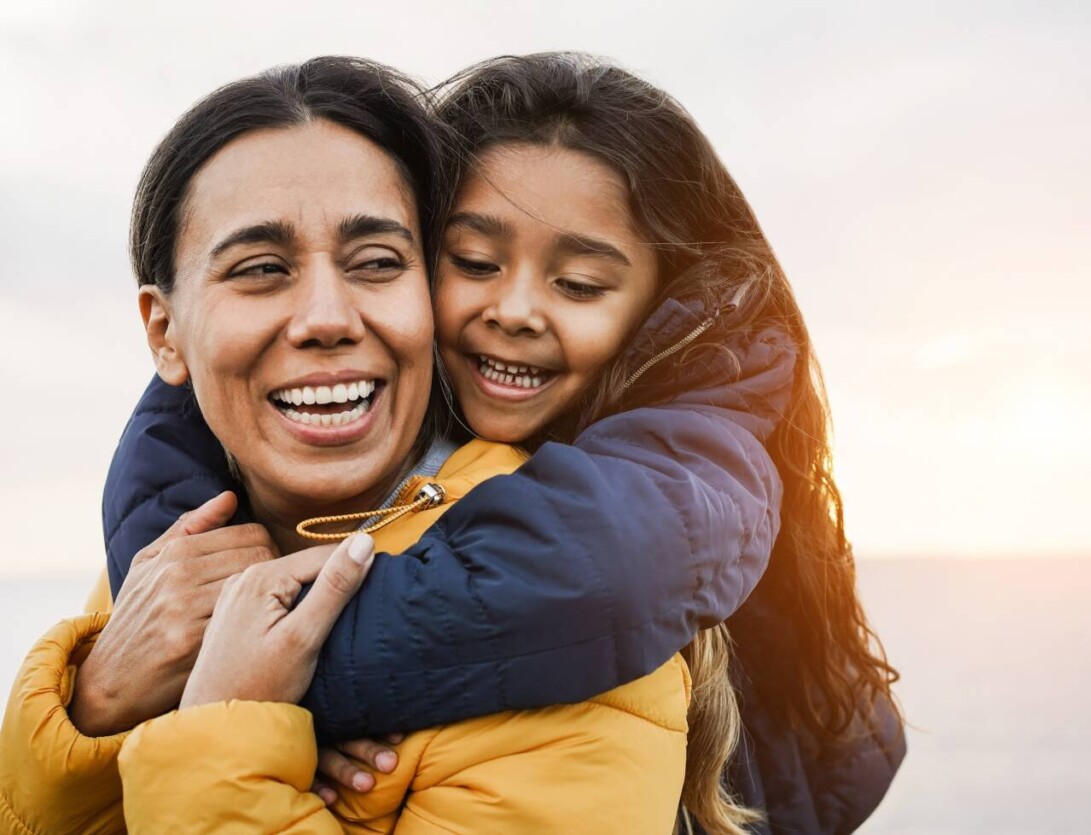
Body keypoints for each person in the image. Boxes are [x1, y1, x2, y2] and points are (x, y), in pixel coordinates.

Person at [0, 56, 694, 835]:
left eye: (377, 263)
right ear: (166, 332)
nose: (327, 317)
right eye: (261, 270)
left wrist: (222, 730)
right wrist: (94, 706)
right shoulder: (166, 568)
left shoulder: (567, 611)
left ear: (430, 298)